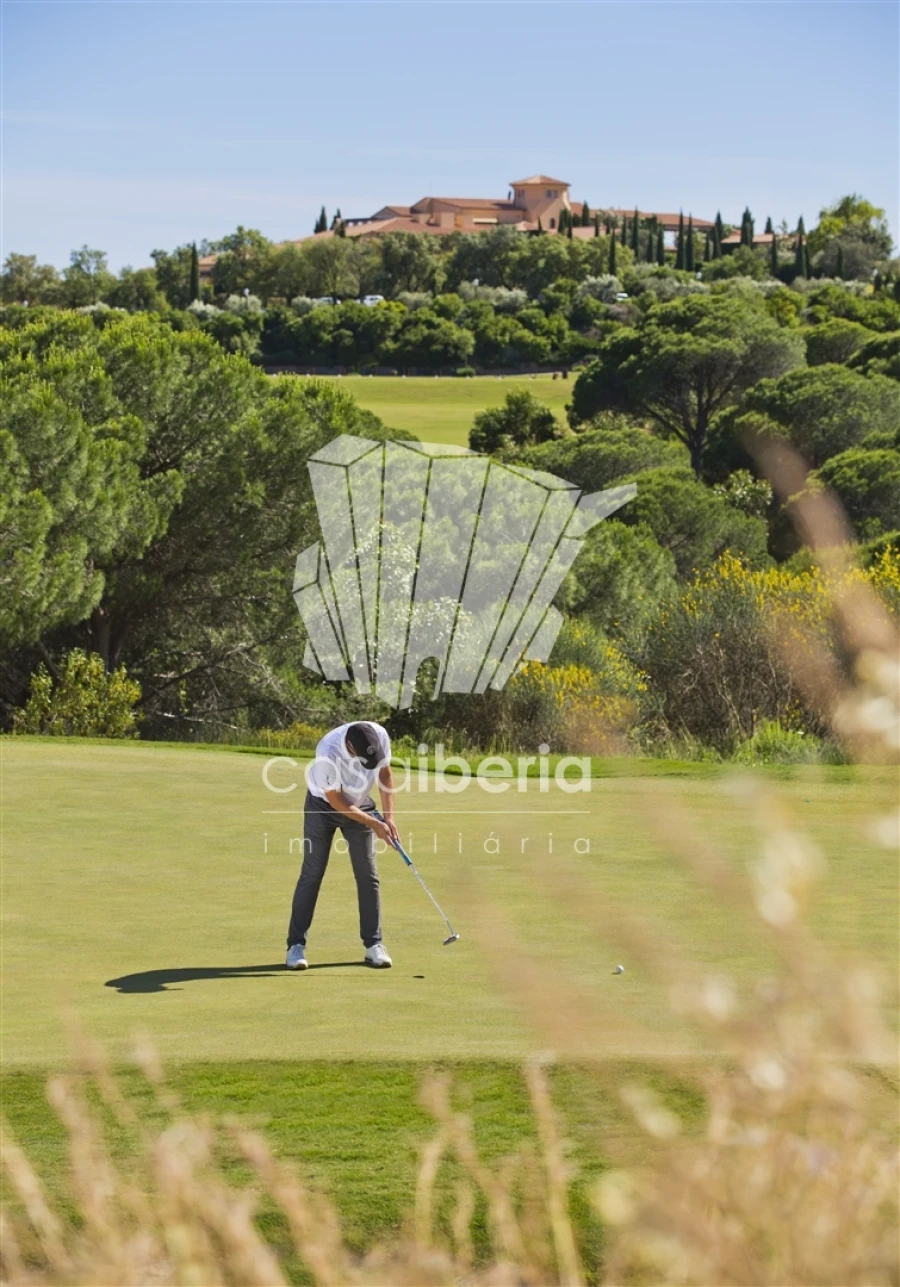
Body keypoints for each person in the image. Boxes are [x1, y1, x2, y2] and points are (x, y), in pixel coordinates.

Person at [285, 721, 398, 971]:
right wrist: (375, 824)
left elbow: (385, 774)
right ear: (350, 747)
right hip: (323, 808)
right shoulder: (328, 751)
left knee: (368, 876)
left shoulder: (378, 735)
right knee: (312, 874)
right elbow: (336, 801)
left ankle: (374, 945)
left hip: (361, 804)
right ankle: (295, 946)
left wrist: (389, 818)